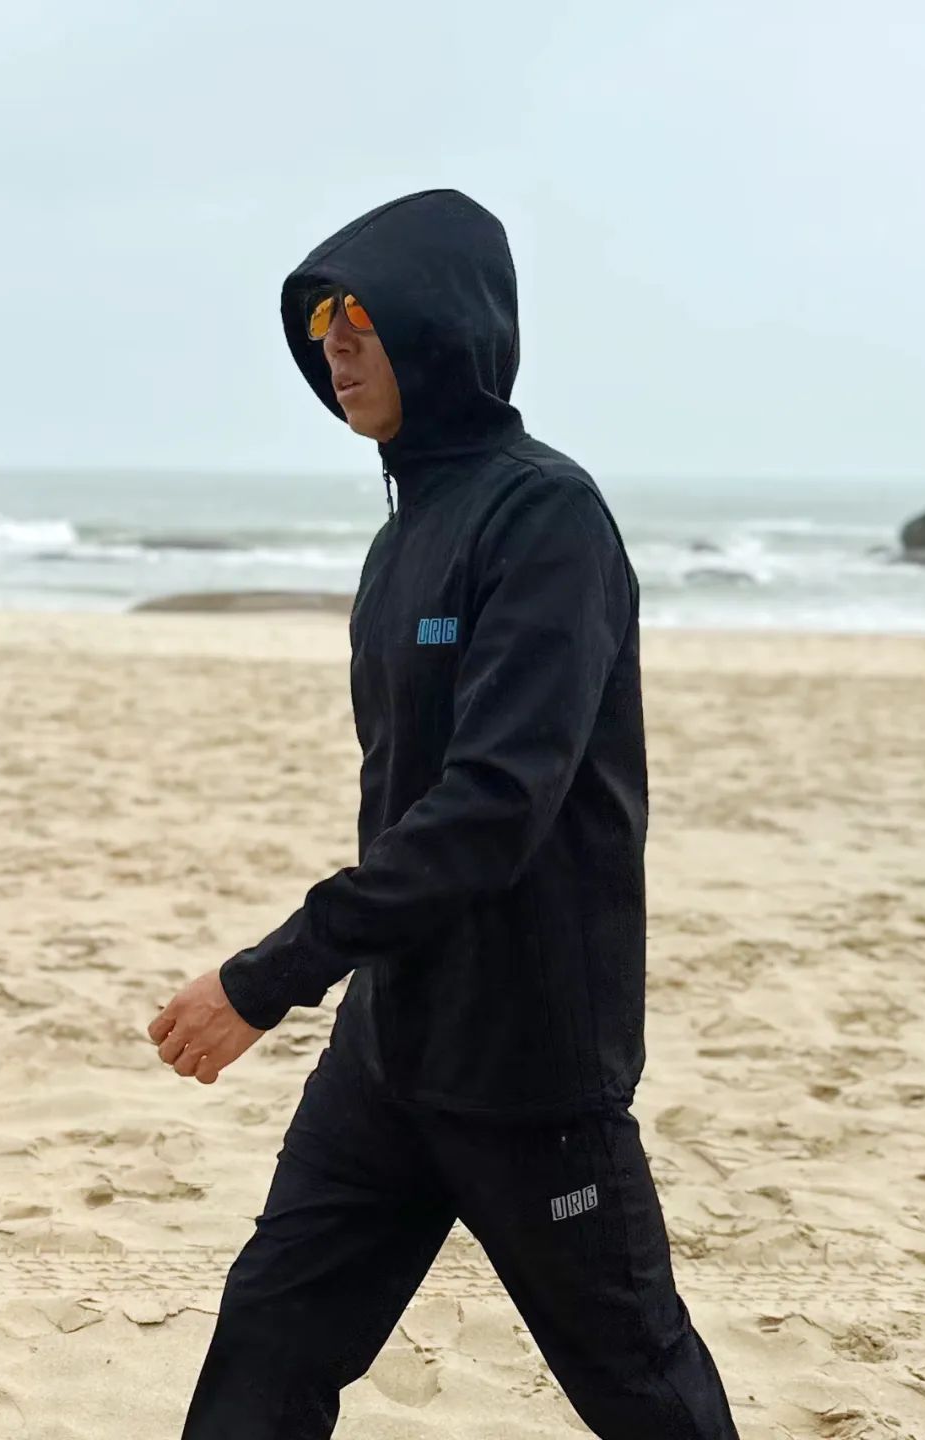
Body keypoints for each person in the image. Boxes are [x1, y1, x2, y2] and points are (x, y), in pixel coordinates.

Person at [148, 188, 742, 1439]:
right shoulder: (401, 536)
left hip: (529, 1066)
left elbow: (492, 807)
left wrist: (267, 977)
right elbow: (404, 803)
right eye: (317, 321)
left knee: (646, 1393)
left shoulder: (546, 517)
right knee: (264, 1358)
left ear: (443, 324)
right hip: (389, 1050)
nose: (333, 344)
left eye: (357, 314)